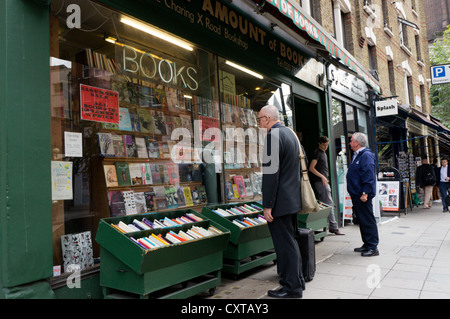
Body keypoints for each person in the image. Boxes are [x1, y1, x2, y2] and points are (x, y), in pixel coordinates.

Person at [259, 105, 304, 298]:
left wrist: (267, 204)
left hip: (279, 202)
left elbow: (270, 174)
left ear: (267, 118)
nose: (259, 123)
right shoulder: (290, 135)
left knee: (285, 245)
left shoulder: (272, 137)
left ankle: (292, 288)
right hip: (292, 198)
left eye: (260, 119)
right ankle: (297, 281)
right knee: (291, 242)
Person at [346, 132, 379, 257]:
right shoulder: (357, 155)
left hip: (362, 195)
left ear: (357, 143)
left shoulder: (366, 156)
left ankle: (373, 247)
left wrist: (366, 192)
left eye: (351, 140)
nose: (350, 143)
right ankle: (367, 243)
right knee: (362, 219)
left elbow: (369, 175)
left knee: (367, 219)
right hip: (357, 194)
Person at [309, 136, 344, 235]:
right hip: (321, 182)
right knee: (329, 204)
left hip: (322, 182)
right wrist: (323, 177)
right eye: (324, 145)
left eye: (327, 145)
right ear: (319, 143)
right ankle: (333, 227)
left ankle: (328, 226)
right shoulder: (317, 153)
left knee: (325, 205)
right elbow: (311, 168)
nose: (325, 147)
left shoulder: (322, 153)